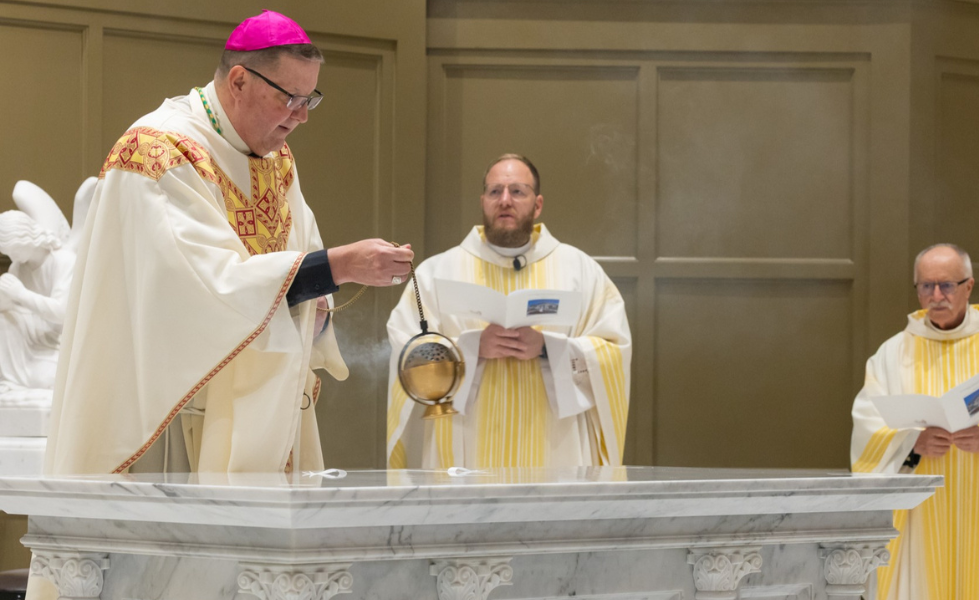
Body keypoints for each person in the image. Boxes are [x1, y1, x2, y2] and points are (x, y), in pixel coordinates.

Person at [42, 10, 413, 476]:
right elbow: (205, 288)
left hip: (257, 412)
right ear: (238, 81)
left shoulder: (275, 159)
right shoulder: (157, 153)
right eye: (290, 98)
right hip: (168, 418)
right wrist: (337, 267)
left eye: (310, 99)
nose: (301, 117)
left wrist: (315, 313)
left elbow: (296, 264)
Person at [386, 154, 631, 469]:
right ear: (483, 201)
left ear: (537, 204)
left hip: (554, 453)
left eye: (517, 191)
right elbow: (405, 351)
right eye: (494, 191)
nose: (505, 200)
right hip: (464, 449)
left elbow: (614, 350)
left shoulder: (580, 271)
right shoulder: (438, 272)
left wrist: (548, 348)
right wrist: (470, 349)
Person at [851, 243, 979, 599]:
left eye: (946, 285)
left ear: (969, 286)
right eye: (925, 286)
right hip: (918, 517)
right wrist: (911, 442)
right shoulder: (892, 353)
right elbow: (868, 423)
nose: (936, 295)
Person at [0, 211, 74, 400]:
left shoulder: (64, 261)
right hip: (29, 340)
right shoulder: (17, 267)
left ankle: (28, 377)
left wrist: (21, 294)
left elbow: (61, 313)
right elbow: (13, 306)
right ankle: (12, 379)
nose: (10, 254)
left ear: (27, 238)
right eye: (5, 250)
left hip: (59, 342)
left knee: (53, 376)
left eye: (12, 248)